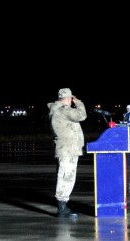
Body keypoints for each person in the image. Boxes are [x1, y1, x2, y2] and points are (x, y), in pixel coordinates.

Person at [47, 88, 87, 218]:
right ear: (68, 99)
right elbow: (81, 115)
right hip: (67, 149)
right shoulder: (63, 110)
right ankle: (62, 207)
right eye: (71, 99)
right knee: (66, 177)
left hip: (68, 148)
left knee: (66, 176)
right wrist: (79, 102)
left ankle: (63, 205)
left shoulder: (57, 110)